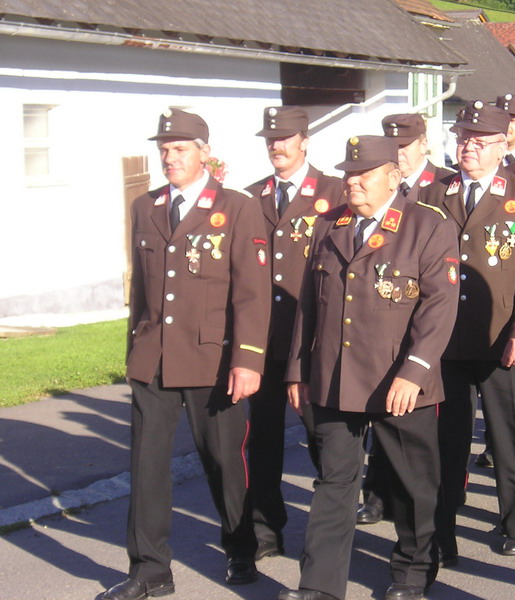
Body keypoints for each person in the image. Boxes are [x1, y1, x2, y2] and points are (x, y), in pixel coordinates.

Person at [278, 135, 459, 600]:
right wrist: (298, 369)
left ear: (393, 177)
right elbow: (308, 306)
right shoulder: (329, 225)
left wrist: (415, 371)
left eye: (364, 174)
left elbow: (439, 306)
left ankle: (413, 570)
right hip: (335, 377)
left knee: (412, 480)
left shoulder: (427, 225)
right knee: (334, 480)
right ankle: (319, 584)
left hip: (397, 378)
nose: (352, 182)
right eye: (348, 174)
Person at [104, 108, 270, 600]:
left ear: (204, 153)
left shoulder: (236, 207)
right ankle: (149, 569)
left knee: (223, 460)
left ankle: (240, 548)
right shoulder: (146, 206)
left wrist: (248, 359)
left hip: (211, 358)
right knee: (146, 467)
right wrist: (134, 351)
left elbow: (252, 293)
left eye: (179, 149)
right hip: (154, 357)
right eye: (164, 149)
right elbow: (142, 289)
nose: (169, 157)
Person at [431, 101, 515, 565]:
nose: (469, 148)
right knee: (445, 437)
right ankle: (441, 526)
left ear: (503, 146)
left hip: (504, 336)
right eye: (463, 139)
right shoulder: (433, 193)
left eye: (480, 142)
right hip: (444, 338)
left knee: (512, 436)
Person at [244, 106, 343, 559]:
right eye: (270, 139)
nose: (276, 146)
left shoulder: (334, 193)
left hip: (314, 341)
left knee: (324, 439)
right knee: (262, 441)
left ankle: (330, 537)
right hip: (263, 340)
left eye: (284, 138)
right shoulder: (251, 198)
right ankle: (266, 530)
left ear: (304, 140)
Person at [355, 113, 453, 526]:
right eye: (391, 146)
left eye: (405, 145)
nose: (399, 152)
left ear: (423, 144)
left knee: (421, 446)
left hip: (434, 331)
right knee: (380, 432)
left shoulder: (443, 187)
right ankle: (377, 495)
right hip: (379, 334)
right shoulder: (358, 202)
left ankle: (431, 532)